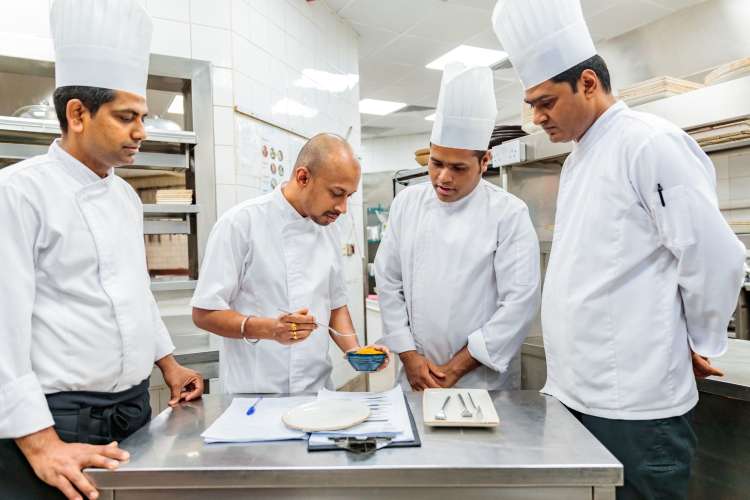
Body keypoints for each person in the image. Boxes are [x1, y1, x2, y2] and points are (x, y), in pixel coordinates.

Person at [492, 0, 746, 498]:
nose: (538, 117)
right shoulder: (577, 160)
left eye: (546, 102)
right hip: (575, 393)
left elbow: (715, 255)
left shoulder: (649, 144)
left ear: (588, 82)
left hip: (634, 405)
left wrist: (700, 340)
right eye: (532, 106)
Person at [0, 1, 204, 499]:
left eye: (143, 117)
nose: (142, 131)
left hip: (132, 411)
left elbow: (134, 293)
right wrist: (41, 443)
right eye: (126, 117)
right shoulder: (17, 192)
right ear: (77, 114)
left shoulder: (124, 196)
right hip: (55, 422)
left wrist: (169, 364)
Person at [374, 62, 541, 391]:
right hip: (415, 376)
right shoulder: (407, 204)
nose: (443, 178)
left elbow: (519, 302)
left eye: (458, 168)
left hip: (481, 380)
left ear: (484, 162)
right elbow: (388, 282)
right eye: (436, 164)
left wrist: (455, 369)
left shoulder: (508, 213)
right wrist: (409, 356)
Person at [192, 133, 389, 394]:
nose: (343, 208)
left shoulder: (328, 230)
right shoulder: (240, 224)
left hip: (316, 393)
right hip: (255, 395)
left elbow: (336, 306)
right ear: (303, 177)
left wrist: (356, 352)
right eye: (336, 194)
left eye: (349, 196)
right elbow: (204, 313)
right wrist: (270, 329)